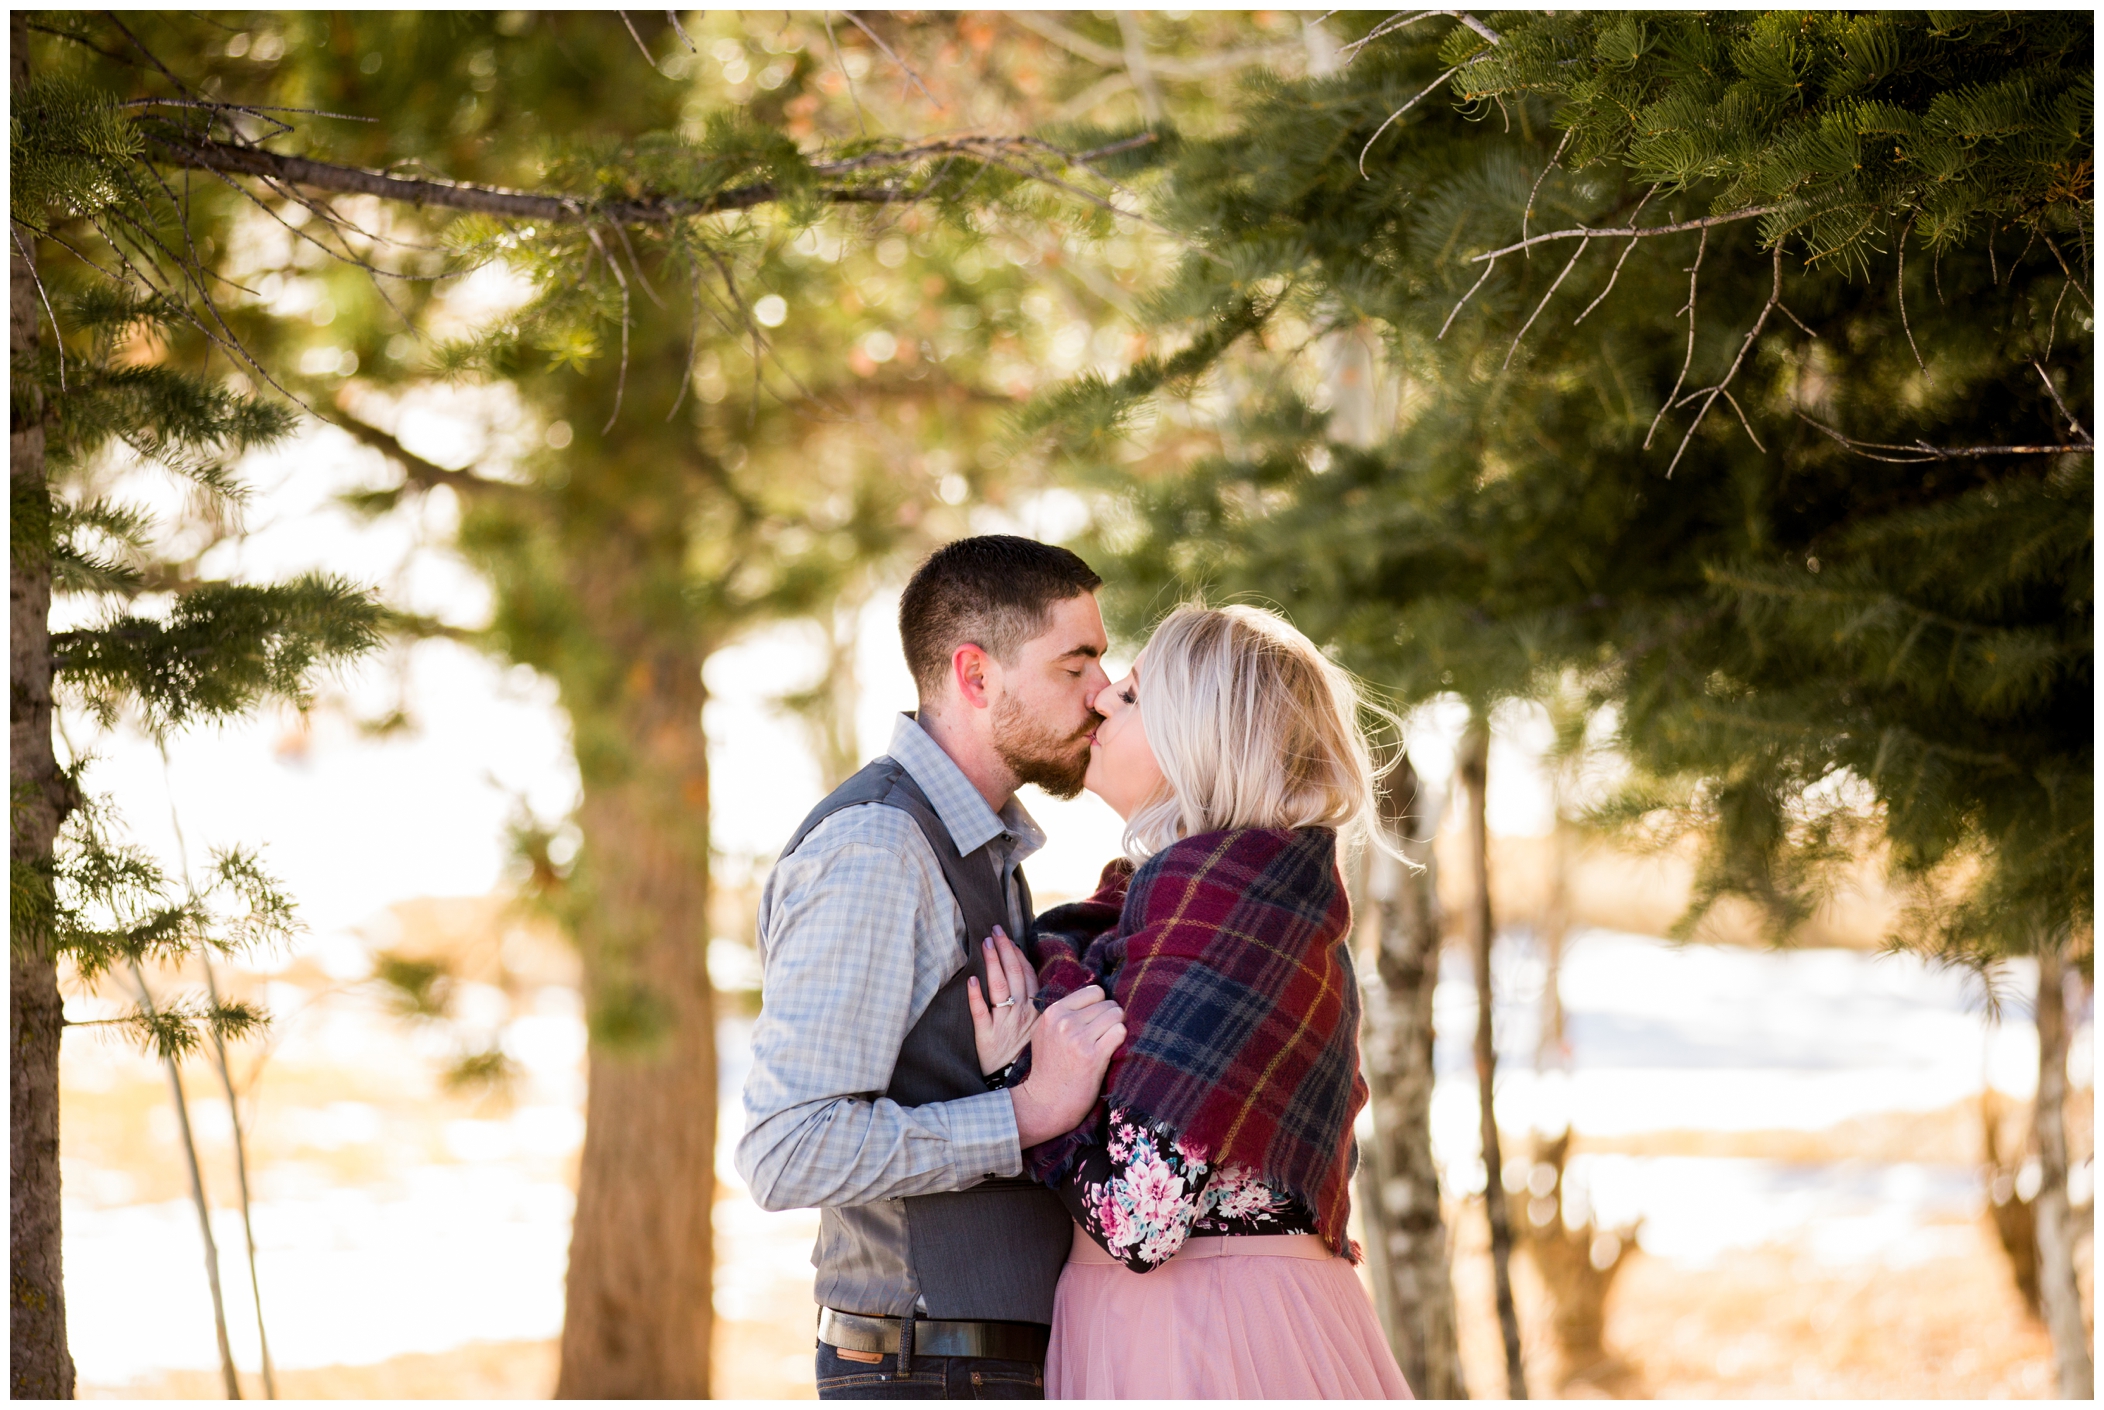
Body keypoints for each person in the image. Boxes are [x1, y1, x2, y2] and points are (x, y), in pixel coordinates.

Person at [969, 602, 1415, 1400]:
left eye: (1133, 697)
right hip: (1234, 1313)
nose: (1101, 699)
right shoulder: (1255, 897)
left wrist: (1021, 1082)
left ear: (1197, 741)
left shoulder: (1216, 902)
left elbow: (1140, 1221)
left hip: (1198, 1333)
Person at [736, 535, 1131, 1401]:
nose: (1104, 692)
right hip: (928, 1368)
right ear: (977, 675)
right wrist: (1025, 1111)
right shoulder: (880, 848)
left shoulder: (981, 850)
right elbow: (785, 1149)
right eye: (1077, 665)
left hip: (978, 1362)